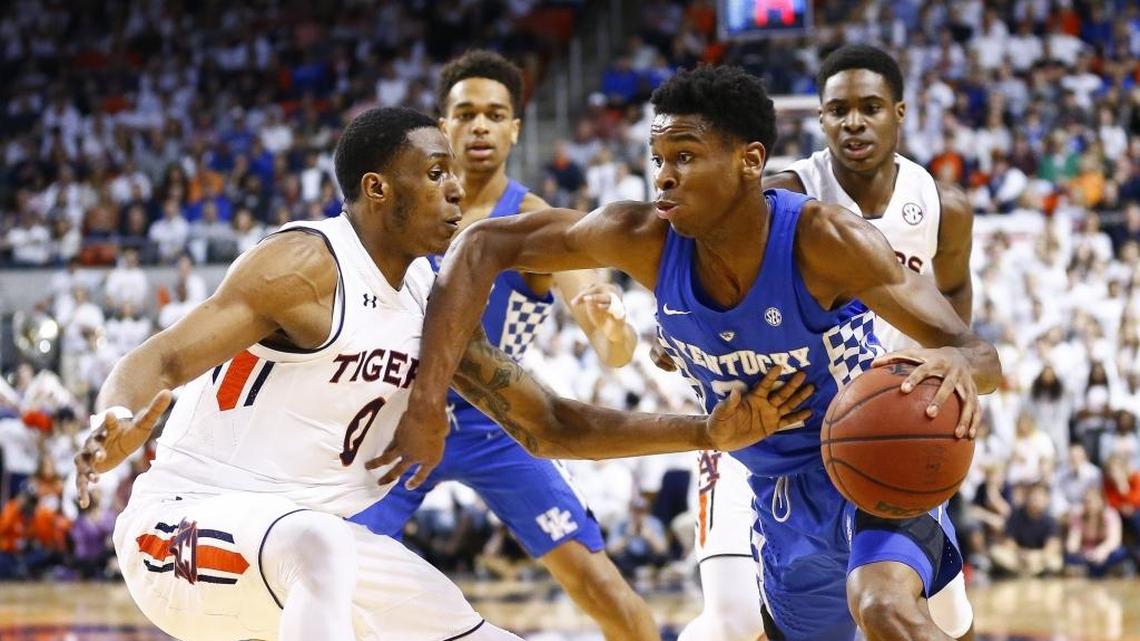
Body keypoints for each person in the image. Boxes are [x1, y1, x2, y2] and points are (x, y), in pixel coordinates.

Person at [72, 106, 806, 641]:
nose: (455, 190)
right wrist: (112, 419)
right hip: (183, 527)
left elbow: (549, 423)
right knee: (317, 546)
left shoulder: (430, 300)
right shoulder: (305, 266)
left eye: (454, 175)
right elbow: (160, 357)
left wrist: (705, 429)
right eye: (433, 174)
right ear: (378, 189)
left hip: (315, 548)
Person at [380, 66, 1002, 641]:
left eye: (684, 157)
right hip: (771, 486)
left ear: (749, 161)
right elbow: (480, 246)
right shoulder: (641, 237)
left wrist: (955, 363)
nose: (664, 176)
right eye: (657, 158)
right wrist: (428, 399)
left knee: (885, 607)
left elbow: (979, 354)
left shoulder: (827, 241)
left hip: (868, 466)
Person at [668, 44, 978, 641]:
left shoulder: (943, 208)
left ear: (901, 112)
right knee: (733, 623)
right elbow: (689, 259)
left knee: (944, 618)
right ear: (820, 119)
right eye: (838, 110)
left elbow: (957, 323)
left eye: (869, 107)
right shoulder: (780, 194)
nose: (853, 122)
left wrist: (950, 371)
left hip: (882, 425)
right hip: (759, 425)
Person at [347, 51, 659, 641]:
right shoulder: (401, 213)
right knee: (321, 564)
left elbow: (611, 345)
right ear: (442, 127)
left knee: (599, 587)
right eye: (466, 114)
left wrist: (610, 322)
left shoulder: (535, 218)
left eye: (496, 114)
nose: (480, 127)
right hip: (401, 417)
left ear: (516, 128)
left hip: (499, 422)